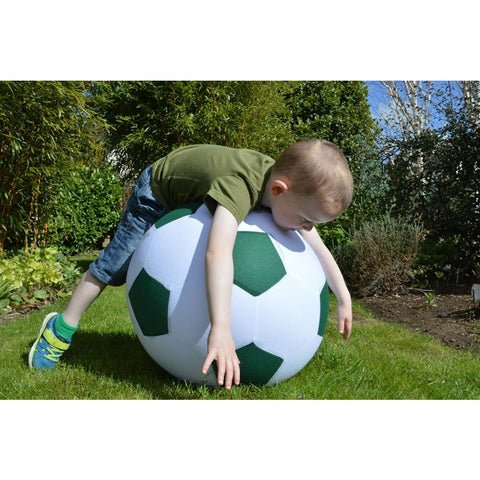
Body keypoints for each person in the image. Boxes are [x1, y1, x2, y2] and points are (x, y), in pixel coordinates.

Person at [29, 140, 354, 390]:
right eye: (307, 220)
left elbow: (318, 246)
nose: (307, 229)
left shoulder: (282, 190)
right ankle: (61, 328)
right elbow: (217, 253)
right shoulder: (240, 185)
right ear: (278, 190)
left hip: (198, 183)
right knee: (115, 267)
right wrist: (221, 329)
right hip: (156, 190)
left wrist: (342, 297)